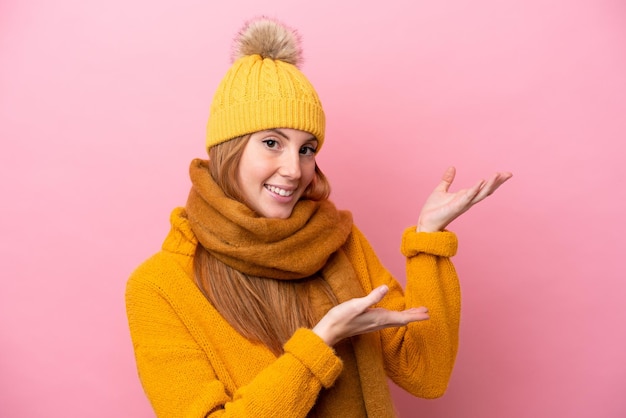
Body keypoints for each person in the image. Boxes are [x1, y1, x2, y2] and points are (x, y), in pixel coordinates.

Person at [125, 17, 512, 417]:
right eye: (272, 143)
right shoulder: (159, 286)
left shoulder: (336, 241)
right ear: (229, 149)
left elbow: (425, 374)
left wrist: (429, 241)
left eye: (307, 149)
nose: (294, 169)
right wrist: (320, 342)